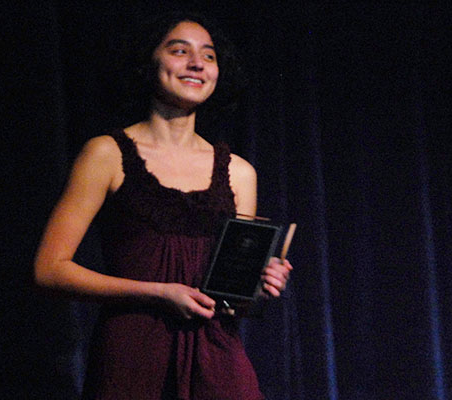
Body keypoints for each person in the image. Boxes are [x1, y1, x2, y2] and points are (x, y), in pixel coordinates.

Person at [34, 12, 293, 400]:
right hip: (133, 356)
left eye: (208, 56)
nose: (196, 64)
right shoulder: (106, 154)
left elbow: (233, 306)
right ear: (148, 62)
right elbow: (50, 270)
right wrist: (157, 292)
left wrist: (258, 285)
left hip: (216, 362)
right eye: (179, 50)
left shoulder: (239, 173)